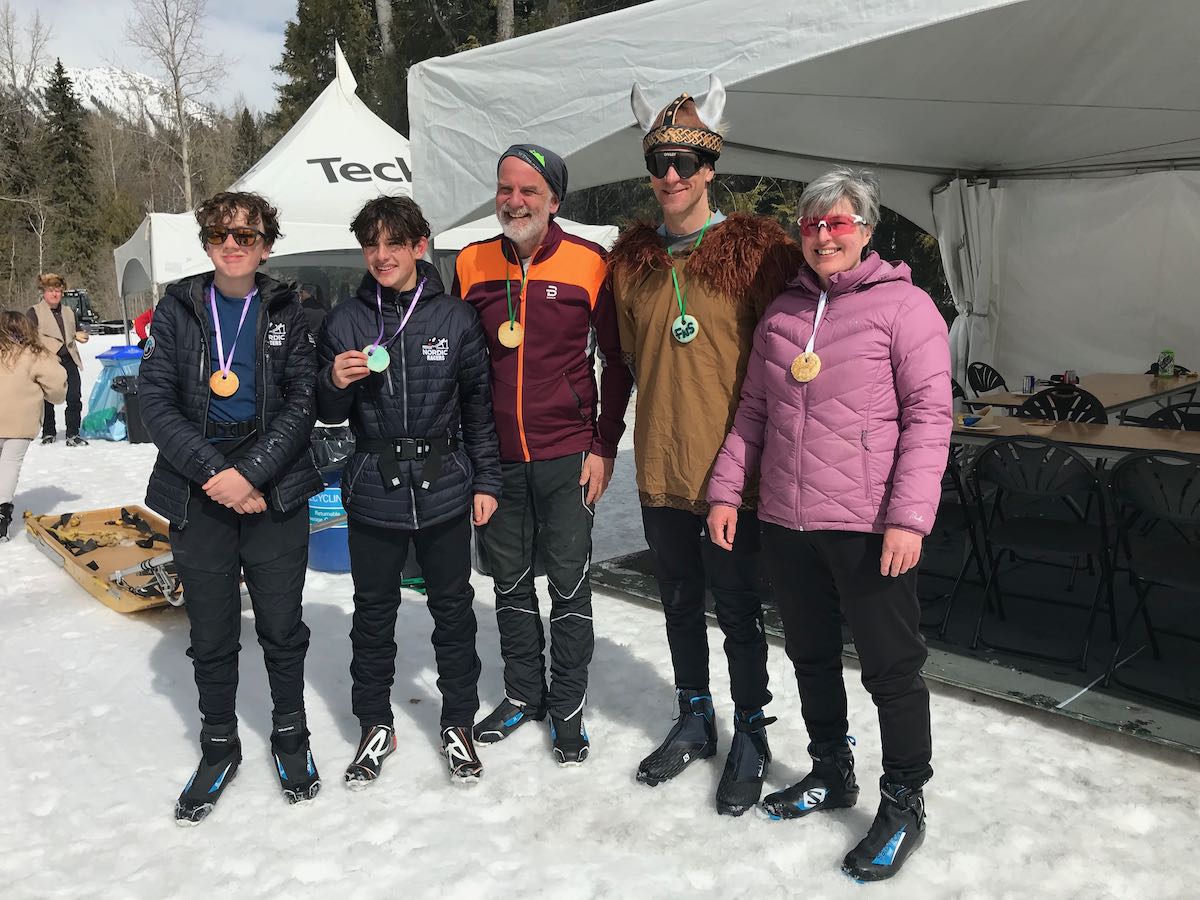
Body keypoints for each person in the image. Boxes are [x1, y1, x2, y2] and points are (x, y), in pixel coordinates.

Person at [707, 167, 951, 881]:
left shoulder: (906, 308)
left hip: (869, 525)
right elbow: (753, 412)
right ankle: (831, 770)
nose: (823, 236)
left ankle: (903, 801)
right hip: (788, 521)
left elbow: (931, 418)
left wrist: (909, 517)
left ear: (866, 230)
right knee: (811, 656)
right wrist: (727, 491)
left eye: (838, 222)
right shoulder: (783, 312)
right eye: (812, 224)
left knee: (891, 669)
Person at [608, 77, 801, 814]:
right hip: (661, 464)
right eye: (659, 162)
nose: (671, 176)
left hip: (732, 473)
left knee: (740, 608)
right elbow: (628, 357)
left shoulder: (759, 255)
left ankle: (751, 730)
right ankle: (694, 715)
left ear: (710, 166)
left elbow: (785, 362)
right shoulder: (633, 262)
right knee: (679, 602)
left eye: (685, 162)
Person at [138, 191, 324, 825]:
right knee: (212, 632)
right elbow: (156, 402)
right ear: (206, 243)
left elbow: (303, 401)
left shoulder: (290, 308)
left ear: (266, 246)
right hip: (199, 482)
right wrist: (217, 473)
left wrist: (250, 473)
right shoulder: (178, 307)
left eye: (246, 235)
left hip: (272, 483)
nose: (232, 244)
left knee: (282, 627)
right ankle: (219, 743)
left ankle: (291, 734)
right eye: (220, 234)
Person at [453, 144, 633, 766]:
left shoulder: (589, 261)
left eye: (529, 190)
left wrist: (603, 446)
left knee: (569, 584)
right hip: (496, 458)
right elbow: (457, 363)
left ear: (554, 199)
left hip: (567, 454)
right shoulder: (471, 262)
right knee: (509, 583)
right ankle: (522, 694)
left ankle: (568, 704)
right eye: (505, 189)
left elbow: (617, 363)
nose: (515, 201)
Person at [317, 196, 502, 785]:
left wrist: (487, 480)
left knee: (453, 612)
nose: (381, 256)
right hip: (374, 485)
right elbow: (327, 413)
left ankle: (458, 722)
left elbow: (478, 410)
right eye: (371, 245)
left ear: (420, 246)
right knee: (373, 614)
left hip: (444, 483)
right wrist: (333, 381)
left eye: (394, 243)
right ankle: (375, 722)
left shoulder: (455, 318)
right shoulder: (345, 320)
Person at [0, 311, 67, 541]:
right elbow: (57, 381)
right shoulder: (35, 353)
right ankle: (2, 511)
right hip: (20, 421)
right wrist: (55, 396)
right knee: (10, 463)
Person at [27, 273, 88, 446]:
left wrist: (80, 335)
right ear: (44, 292)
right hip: (47, 361)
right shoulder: (34, 312)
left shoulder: (68, 312)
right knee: (47, 398)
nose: (55, 294)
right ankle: (48, 432)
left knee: (74, 396)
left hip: (69, 359)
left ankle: (73, 433)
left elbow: (75, 331)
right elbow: (29, 336)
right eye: (51, 290)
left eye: (58, 291)